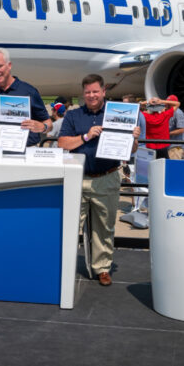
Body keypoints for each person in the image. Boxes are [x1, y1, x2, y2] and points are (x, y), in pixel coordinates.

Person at [58, 74, 140, 286]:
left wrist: (134, 138)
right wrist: (86, 136)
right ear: (83, 94)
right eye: (88, 92)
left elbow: (130, 150)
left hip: (107, 177)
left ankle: (102, 268)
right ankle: (62, 265)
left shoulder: (116, 115)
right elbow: (62, 143)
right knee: (69, 224)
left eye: (95, 91)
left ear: (104, 92)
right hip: (78, 177)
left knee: (104, 226)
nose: (92, 95)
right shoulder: (73, 116)